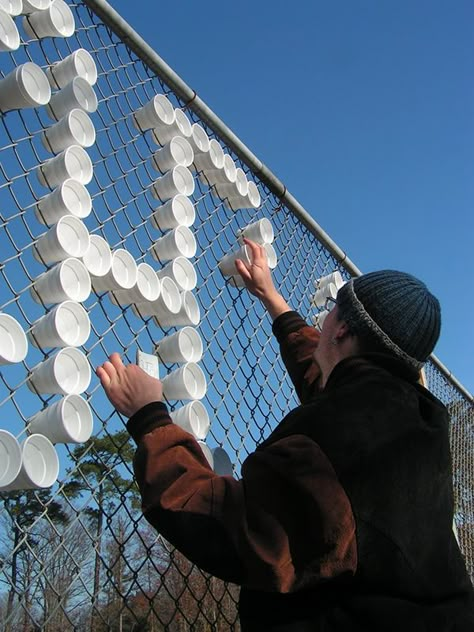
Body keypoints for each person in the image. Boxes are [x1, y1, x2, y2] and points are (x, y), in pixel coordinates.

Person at [97, 239, 474, 631]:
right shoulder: (413, 418)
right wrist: (272, 297)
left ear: (342, 328)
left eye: (331, 312)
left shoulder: (336, 440)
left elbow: (231, 529)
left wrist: (149, 418)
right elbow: (326, 372)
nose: (323, 321)